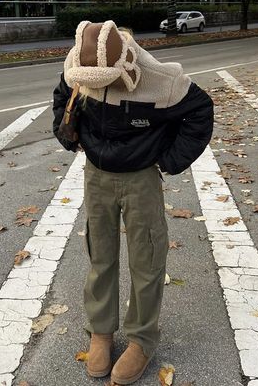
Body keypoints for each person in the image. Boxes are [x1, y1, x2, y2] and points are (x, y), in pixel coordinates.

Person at [52, 21, 213, 384]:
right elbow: (62, 95)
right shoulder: (79, 61)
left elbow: (201, 112)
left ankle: (141, 338)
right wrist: (68, 136)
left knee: (147, 259)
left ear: (127, 65)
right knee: (101, 255)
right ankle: (101, 332)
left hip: (141, 177)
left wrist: (169, 160)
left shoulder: (161, 79)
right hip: (97, 173)